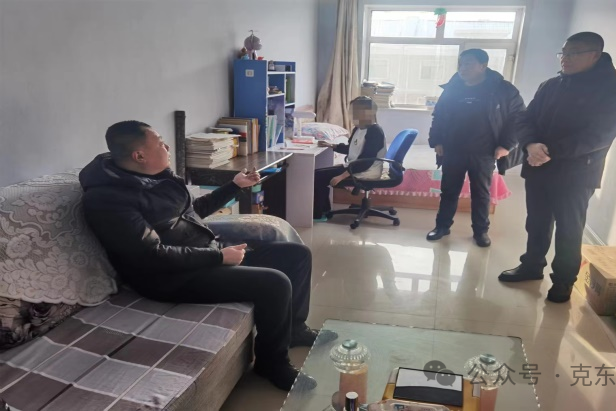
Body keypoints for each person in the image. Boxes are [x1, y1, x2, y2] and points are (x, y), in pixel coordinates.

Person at [79, 120, 333, 391]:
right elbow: (150, 256)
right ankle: (271, 363)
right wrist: (219, 258)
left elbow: (191, 211)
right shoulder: (107, 200)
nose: (167, 147)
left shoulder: (155, 177)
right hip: (167, 277)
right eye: (160, 143)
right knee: (276, 283)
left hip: (202, 255)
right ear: (139, 156)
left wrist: (234, 186)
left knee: (296, 254)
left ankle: (295, 329)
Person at [499, 32, 616, 303]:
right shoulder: (551, 85)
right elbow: (525, 119)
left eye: (574, 53)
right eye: (564, 53)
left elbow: (600, 135)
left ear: (595, 55)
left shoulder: (614, 89)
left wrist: (548, 152)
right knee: (536, 222)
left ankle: (563, 281)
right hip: (538, 167)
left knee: (569, 229)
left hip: (577, 172)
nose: (565, 59)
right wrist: (531, 144)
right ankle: (531, 266)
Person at [426, 49, 526, 247]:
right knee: (448, 191)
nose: (463, 68)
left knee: (481, 193)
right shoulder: (453, 88)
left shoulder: (503, 90)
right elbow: (439, 116)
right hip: (453, 149)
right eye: (461, 64)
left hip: (484, 151)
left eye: (468, 64)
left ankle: (480, 231)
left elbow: (518, 118)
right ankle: (442, 226)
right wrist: (436, 141)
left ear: (483, 66)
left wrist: (506, 145)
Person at [313, 96, 386, 219]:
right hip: (355, 166)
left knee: (318, 177)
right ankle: (324, 210)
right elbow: (351, 148)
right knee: (318, 175)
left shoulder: (375, 132)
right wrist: (332, 145)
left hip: (366, 170)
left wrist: (342, 176)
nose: (352, 116)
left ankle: (318, 214)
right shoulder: (358, 128)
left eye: (355, 112)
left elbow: (366, 161)